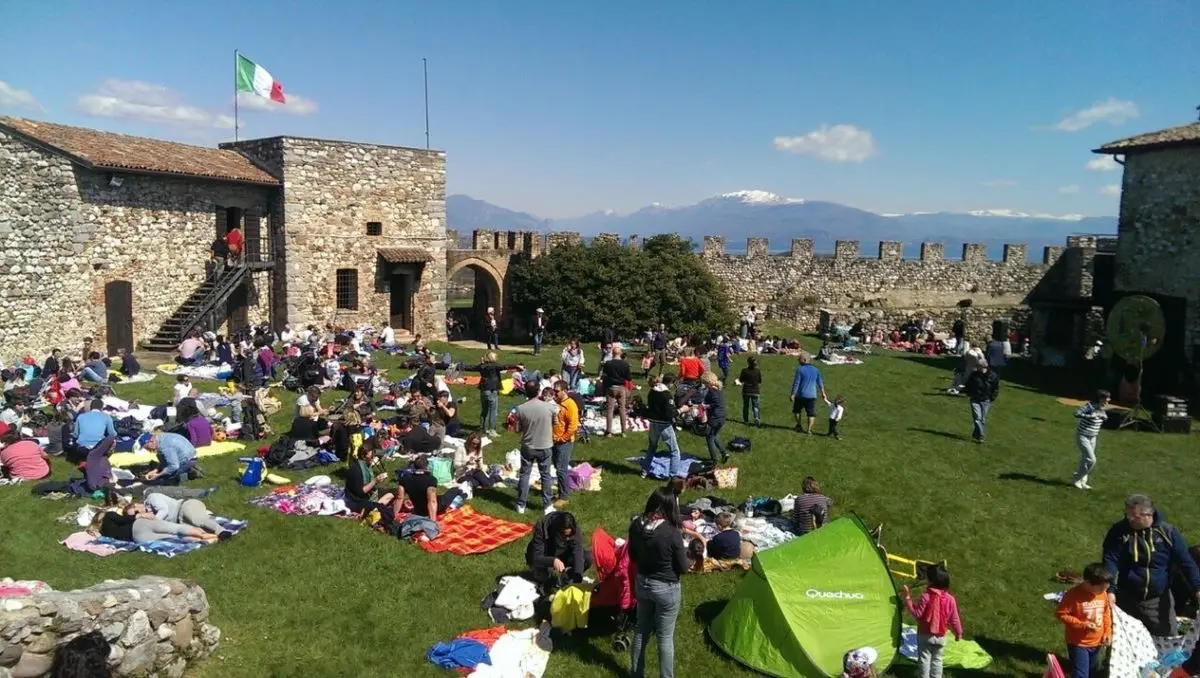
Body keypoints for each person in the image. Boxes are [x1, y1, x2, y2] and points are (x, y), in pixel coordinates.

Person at [1102, 493, 1200, 637]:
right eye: (1127, 515)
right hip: (1125, 596)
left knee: (1167, 638)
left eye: (1135, 517)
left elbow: (1186, 562)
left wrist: (1198, 587)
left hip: (1156, 599)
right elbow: (1110, 560)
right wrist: (1110, 590)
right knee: (1121, 639)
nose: (1129, 520)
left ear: (1149, 514)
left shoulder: (1167, 532)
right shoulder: (1119, 531)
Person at [628, 488, 690, 678]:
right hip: (666, 588)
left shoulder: (636, 525)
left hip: (642, 582)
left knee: (641, 630)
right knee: (664, 637)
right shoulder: (672, 534)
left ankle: (637, 674)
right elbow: (683, 567)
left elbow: (632, 555)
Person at [901, 564, 963, 678]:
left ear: (930, 582)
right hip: (941, 637)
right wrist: (958, 633)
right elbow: (955, 618)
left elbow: (917, 614)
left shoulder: (926, 596)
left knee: (924, 659)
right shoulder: (950, 599)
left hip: (925, 635)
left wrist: (908, 599)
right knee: (937, 660)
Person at [1055, 563, 1112, 678]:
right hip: (1078, 643)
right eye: (1101, 588)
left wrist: (1107, 633)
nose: (1103, 591)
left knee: (1092, 672)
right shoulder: (1073, 596)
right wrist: (1082, 625)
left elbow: (1106, 613)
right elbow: (1061, 614)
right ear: (1087, 583)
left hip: (1097, 642)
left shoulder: (1103, 594)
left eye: (1105, 588)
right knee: (1081, 675)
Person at [515, 381, 557, 515]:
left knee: (524, 474)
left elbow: (517, 429)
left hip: (528, 446)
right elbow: (555, 423)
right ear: (539, 391)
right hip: (545, 445)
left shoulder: (520, 409)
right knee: (545, 476)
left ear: (525, 391)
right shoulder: (550, 408)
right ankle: (548, 505)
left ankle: (521, 504)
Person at [90, 502, 218, 545]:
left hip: (138, 538)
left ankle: (208, 540)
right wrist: (138, 515)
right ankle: (205, 534)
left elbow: (110, 542)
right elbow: (124, 520)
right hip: (139, 525)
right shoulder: (109, 516)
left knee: (173, 538)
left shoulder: (104, 533)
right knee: (174, 529)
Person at [526, 511, 592, 591]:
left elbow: (578, 553)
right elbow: (536, 558)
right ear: (556, 530)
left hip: (564, 555)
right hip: (544, 556)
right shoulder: (541, 528)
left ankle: (567, 577)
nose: (568, 538)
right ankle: (543, 583)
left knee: (588, 557)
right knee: (541, 577)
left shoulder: (574, 528)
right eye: (565, 535)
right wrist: (553, 561)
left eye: (570, 535)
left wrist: (577, 579)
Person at [462, 352, 523, 438]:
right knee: (493, 411)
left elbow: (470, 367)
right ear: (493, 358)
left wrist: (457, 366)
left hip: (483, 390)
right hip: (492, 390)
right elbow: (505, 366)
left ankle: (482, 428)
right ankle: (491, 430)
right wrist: (516, 366)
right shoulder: (495, 366)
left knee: (484, 410)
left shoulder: (481, 366)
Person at [642, 374, 688, 480]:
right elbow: (669, 414)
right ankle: (673, 475)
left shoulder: (652, 391)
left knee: (652, 447)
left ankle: (644, 471)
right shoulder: (666, 395)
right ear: (671, 383)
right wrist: (681, 410)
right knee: (674, 451)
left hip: (653, 422)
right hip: (664, 425)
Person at [142, 491, 234, 539]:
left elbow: (164, 510)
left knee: (196, 520)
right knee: (198, 531)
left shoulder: (151, 498)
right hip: (180, 521)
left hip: (185, 506)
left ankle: (221, 531)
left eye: (136, 510)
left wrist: (154, 520)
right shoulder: (145, 516)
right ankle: (215, 530)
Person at [395, 454, 463, 518]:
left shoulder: (405, 478)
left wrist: (395, 515)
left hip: (418, 509)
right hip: (433, 508)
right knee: (455, 490)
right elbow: (432, 501)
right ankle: (460, 493)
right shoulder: (430, 480)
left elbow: (399, 497)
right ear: (426, 466)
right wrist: (432, 521)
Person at [345, 441, 395, 519]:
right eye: (372, 455)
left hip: (367, 496)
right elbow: (361, 492)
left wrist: (378, 481)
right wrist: (375, 481)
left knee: (394, 492)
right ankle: (374, 507)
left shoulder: (366, 466)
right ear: (363, 456)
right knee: (386, 511)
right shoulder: (356, 469)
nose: (373, 457)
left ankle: (375, 506)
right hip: (357, 501)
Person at [1072, 390, 1110, 490]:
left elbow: (1104, 418)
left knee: (1085, 460)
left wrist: (1103, 416)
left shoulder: (1102, 408)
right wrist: (1089, 416)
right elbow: (1076, 413)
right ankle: (1076, 478)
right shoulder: (1090, 406)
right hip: (1083, 436)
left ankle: (1083, 482)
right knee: (1091, 460)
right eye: (1107, 398)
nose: (1108, 400)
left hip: (1093, 437)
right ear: (1101, 398)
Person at [551, 382, 579, 506]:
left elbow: (573, 426)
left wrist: (563, 438)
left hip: (564, 442)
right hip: (554, 440)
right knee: (558, 467)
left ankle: (564, 497)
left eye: (557, 391)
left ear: (565, 391)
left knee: (561, 469)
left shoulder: (570, 405)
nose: (554, 393)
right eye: (554, 390)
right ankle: (562, 490)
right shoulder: (556, 403)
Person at [789, 353, 827, 434]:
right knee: (811, 413)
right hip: (812, 395)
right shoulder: (816, 370)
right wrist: (823, 393)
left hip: (800, 395)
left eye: (800, 359)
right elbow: (820, 383)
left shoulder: (800, 370)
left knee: (797, 411)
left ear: (805, 360)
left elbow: (796, 383)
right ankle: (809, 430)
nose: (798, 361)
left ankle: (799, 425)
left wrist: (793, 394)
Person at [963, 364, 999, 444]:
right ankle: (981, 436)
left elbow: (995, 388)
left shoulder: (992, 376)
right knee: (977, 417)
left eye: (980, 367)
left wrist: (992, 397)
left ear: (985, 367)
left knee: (982, 419)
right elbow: (968, 384)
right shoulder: (974, 374)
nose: (978, 369)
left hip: (986, 400)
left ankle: (976, 434)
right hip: (975, 399)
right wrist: (968, 393)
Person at [601, 346, 632, 437]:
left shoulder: (608, 363)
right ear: (620, 353)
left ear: (613, 353)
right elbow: (629, 378)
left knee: (610, 409)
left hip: (611, 387)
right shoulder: (625, 364)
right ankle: (623, 431)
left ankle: (609, 431)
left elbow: (604, 376)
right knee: (622, 409)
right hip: (621, 387)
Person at [700, 372, 728, 463]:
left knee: (709, 438)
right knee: (714, 435)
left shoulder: (711, 391)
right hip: (722, 417)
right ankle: (724, 452)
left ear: (707, 383)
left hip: (715, 417)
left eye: (704, 383)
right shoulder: (718, 389)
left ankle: (714, 459)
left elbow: (715, 403)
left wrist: (707, 406)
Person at [736, 356, 762, 427]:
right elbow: (759, 381)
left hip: (746, 390)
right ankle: (756, 417)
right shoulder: (757, 371)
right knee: (755, 406)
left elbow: (741, 380)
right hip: (755, 390)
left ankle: (746, 421)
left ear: (748, 362)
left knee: (746, 406)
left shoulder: (744, 370)